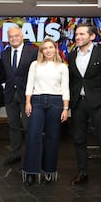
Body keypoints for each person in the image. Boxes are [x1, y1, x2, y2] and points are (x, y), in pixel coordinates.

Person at [22, 38, 69, 186]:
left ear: (55, 49)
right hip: (37, 101)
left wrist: (66, 108)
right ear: (41, 51)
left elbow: (65, 88)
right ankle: (31, 172)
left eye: (51, 47)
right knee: (33, 135)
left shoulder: (62, 67)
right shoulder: (35, 65)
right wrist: (28, 102)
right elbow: (29, 84)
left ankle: (49, 171)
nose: (48, 50)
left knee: (52, 137)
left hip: (56, 102)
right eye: (45, 48)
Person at [68, 23, 101, 189]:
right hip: (78, 104)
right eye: (77, 34)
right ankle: (83, 172)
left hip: (99, 104)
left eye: (82, 34)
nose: (78, 37)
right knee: (78, 140)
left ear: (92, 36)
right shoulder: (71, 55)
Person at [1, 26, 38, 165]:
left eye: (16, 35)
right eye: (11, 36)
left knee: (28, 126)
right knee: (13, 126)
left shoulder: (33, 51)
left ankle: (30, 155)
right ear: (8, 38)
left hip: (27, 95)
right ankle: (15, 154)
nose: (13, 38)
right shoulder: (4, 54)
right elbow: (6, 74)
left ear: (22, 36)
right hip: (10, 94)